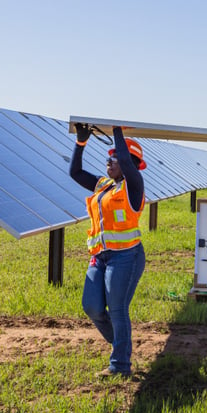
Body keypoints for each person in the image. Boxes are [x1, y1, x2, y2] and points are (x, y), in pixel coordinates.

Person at [70, 124, 147, 377]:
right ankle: (121, 346)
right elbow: (76, 172)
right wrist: (81, 143)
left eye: (114, 158)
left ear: (130, 163)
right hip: (100, 257)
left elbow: (125, 159)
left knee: (117, 309)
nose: (109, 162)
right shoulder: (103, 185)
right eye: (108, 158)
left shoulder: (133, 185)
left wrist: (115, 128)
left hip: (126, 256)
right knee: (91, 306)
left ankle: (120, 366)